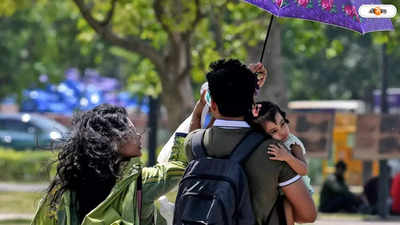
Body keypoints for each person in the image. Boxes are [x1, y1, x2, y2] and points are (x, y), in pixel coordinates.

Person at [183, 59, 317, 224]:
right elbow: (308, 214)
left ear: (214, 105)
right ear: (251, 103)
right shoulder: (273, 150)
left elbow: (201, 127)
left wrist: (201, 106)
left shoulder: (194, 144)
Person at [31, 104, 188, 225]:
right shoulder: (138, 182)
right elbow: (179, 166)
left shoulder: (66, 187)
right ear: (113, 140)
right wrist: (195, 118)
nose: (139, 136)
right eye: (132, 132)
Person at [251, 101, 313, 225]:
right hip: (279, 192)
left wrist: (287, 157)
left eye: (282, 124)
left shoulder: (292, 143)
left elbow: (303, 169)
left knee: (286, 207)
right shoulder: (266, 146)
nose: (282, 131)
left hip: (298, 192)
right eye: (274, 131)